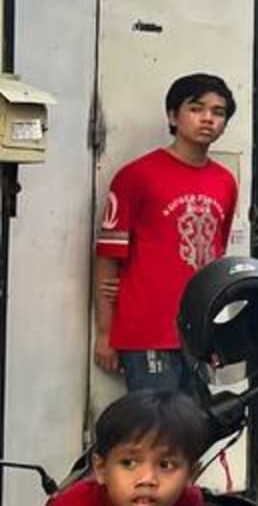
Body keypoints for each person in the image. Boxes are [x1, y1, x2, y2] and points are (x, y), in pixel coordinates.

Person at [94, 74, 240, 393]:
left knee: (196, 432)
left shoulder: (226, 182)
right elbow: (108, 257)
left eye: (218, 112)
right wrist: (105, 333)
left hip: (199, 333)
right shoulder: (136, 177)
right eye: (196, 108)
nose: (207, 119)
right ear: (174, 116)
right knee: (155, 435)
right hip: (146, 332)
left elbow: (216, 258)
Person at [48, 391, 210, 506]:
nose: (147, 479)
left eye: (165, 465)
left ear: (191, 474)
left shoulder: (188, 501)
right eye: (128, 463)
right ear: (101, 469)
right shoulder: (74, 503)